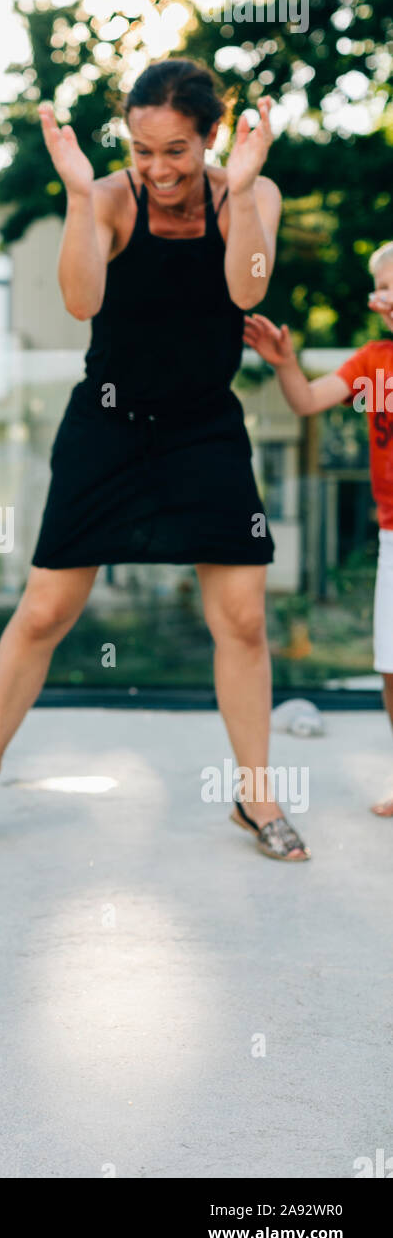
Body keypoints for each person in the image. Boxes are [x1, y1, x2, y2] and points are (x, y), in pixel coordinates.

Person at [0, 56, 310, 861]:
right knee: (43, 614)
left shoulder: (252, 192)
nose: (159, 169)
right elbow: (81, 301)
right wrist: (77, 194)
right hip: (108, 426)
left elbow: (247, 290)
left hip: (204, 427)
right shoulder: (108, 198)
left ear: (213, 137)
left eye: (177, 150)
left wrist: (240, 190)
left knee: (241, 620)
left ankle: (257, 796)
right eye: (142, 150)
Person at [243, 241, 393, 817]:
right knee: (391, 665)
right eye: (381, 286)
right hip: (392, 535)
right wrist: (285, 363)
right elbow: (307, 402)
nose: (385, 295)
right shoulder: (373, 359)